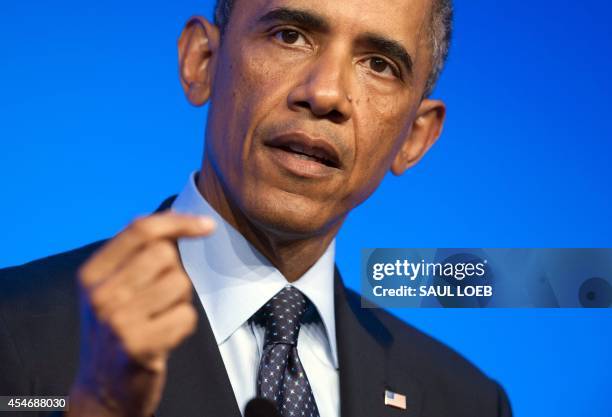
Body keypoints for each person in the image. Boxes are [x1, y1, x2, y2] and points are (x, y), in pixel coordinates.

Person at [0, 0, 513, 416]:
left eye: (379, 65)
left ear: (415, 137)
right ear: (202, 61)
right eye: (289, 34)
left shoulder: (465, 401)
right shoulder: (15, 327)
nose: (326, 93)